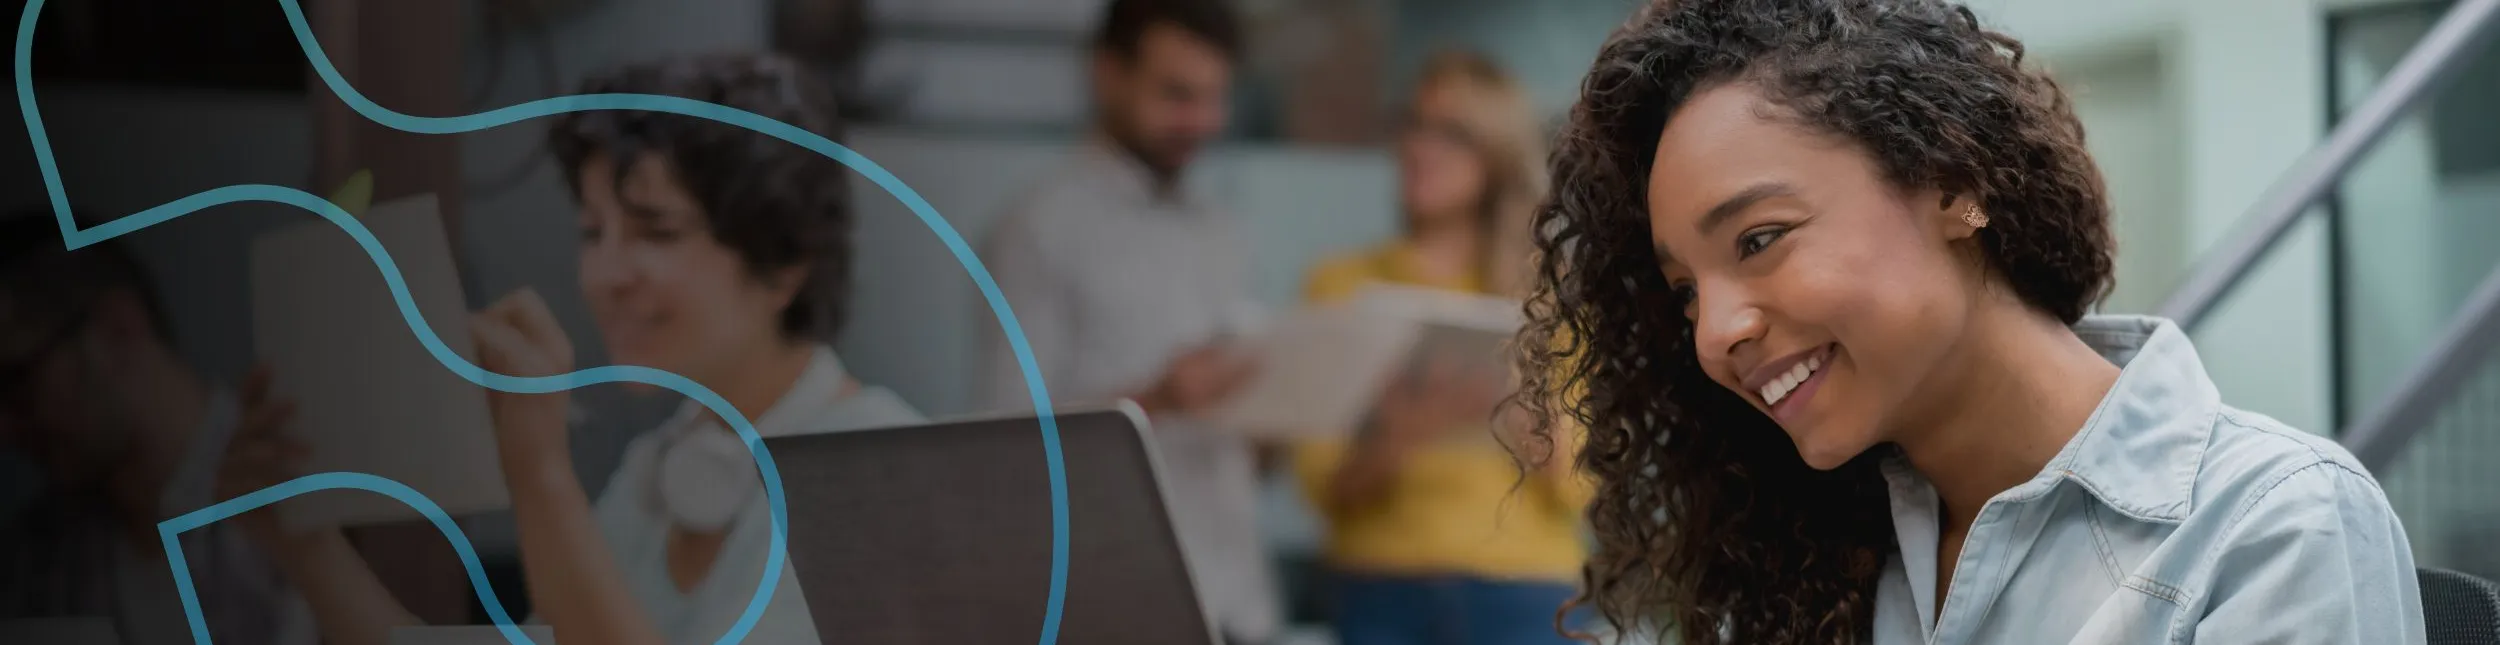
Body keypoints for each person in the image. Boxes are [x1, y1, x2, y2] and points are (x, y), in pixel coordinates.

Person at [1506, 1, 2426, 644]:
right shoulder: (1822, 550)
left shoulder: (2272, 529)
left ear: (1954, 183)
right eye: (1684, 292)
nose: (1714, 333)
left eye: (1759, 239)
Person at [220, 53, 922, 645]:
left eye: (656, 232)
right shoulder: (658, 465)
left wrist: (540, 469)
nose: (604, 275)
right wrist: (302, 543)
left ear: (785, 263)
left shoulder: (882, 471)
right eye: (593, 232)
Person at [975, 0, 1280, 642]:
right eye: (1177, 94)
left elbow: (1238, 446)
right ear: (1108, 74)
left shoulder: (1219, 229)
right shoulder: (1039, 227)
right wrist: (1159, 399)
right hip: (1115, 601)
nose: (1201, 121)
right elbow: (1009, 449)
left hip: (1235, 597)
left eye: (1214, 98)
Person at [1292, 51, 1588, 645]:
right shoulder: (1341, 287)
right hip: (1381, 588)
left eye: (1451, 133)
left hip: (1525, 589)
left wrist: (1518, 414)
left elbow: (1581, 485)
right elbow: (1321, 487)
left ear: (1496, 152)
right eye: (1412, 124)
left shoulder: (1550, 296)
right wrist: (1399, 434)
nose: (1420, 147)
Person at [0, 213, 314, 645]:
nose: (5, 430)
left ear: (118, 328)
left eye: (16, 384)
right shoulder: (34, 560)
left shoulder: (303, 490)